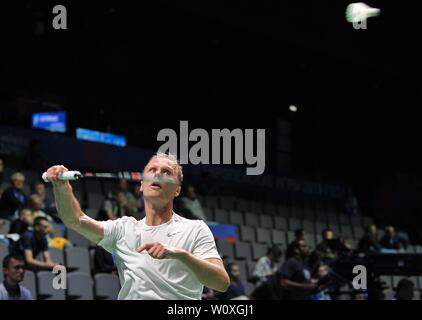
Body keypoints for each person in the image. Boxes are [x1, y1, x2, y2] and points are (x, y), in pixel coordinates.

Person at [45, 152, 229, 300]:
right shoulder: (124, 229)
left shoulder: (195, 229)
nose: (158, 173)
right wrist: (62, 187)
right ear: (141, 185)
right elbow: (75, 220)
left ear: (177, 190)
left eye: (167, 172)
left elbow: (221, 282)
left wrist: (180, 255)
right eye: (153, 169)